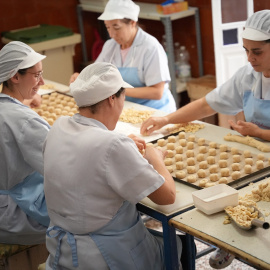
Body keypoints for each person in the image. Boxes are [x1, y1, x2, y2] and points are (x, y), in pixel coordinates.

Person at [141, 9, 270, 269]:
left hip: (260, 145)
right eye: (246, 50)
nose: (249, 58)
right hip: (256, 154)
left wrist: (258, 133)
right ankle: (229, 243)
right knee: (232, 199)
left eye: (257, 52)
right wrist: (168, 119)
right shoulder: (248, 76)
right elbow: (207, 104)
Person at [43, 62, 184, 270]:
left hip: (62, 253)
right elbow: (167, 196)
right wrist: (156, 159)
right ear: (111, 99)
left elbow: (89, 151)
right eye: (123, 96)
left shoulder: (59, 126)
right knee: (178, 244)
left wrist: (122, 145)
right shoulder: (113, 145)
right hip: (108, 257)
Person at [70, 0, 176, 113]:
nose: (111, 34)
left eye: (116, 27)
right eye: (108, 27)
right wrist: (82, 77)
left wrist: (116, 89)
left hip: (156, 111)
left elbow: (157, 92)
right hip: (127, 108)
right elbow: (97, 73)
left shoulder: (150, 47)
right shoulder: (110, 46)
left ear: (132, 23)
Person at [0, 41, 50, 245]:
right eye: (37, 75)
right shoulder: (26, 122)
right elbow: (65, 165)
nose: (43, 82)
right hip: (18, 215)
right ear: (15, 76)